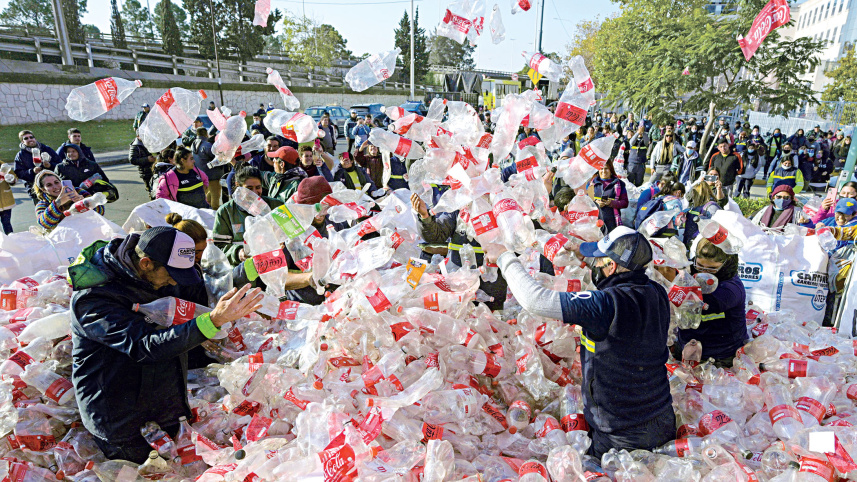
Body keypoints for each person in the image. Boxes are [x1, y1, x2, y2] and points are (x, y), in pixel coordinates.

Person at [69, 225, 263, 463]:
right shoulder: (94, 300)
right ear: (146, 263)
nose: (174, 282)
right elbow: (145, 346)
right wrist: (212, 321)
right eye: (171, 274)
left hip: (166, 406)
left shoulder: (160, 277)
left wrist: (265, 262)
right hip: (122, 421)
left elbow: (207, 292)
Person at [495, 226, 673, 459]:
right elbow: (616, 277)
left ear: (611, 266)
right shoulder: (656, 292)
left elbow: (535, 301)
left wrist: (505, 258)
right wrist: (581, 254)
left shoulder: (606, 304)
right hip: (661, 417)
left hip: (621, 433)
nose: (595, 265)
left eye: (599, 260)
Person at [669, 239, 747, 368]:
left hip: (721, 356)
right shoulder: (691, 270)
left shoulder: (731, 289)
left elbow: (694, 304)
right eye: (700, 266)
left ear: (726, 265)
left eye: (712, 269)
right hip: (687, 347)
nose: (704, 273)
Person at [213, 167, 284, 266]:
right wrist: (238, 253)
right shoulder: (226, 212)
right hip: (244, 269)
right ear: (238, 186)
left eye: (258, 187)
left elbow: (292, 235)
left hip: (275, 264)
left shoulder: (276, 206)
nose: (254, 192)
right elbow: (219, 247)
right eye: (249, 188)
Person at [33, 169, 105, 231]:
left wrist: (86, 203)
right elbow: (45, 224)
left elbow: (101, 212)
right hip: (63, 240)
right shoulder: (43, 204)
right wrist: (57, 203)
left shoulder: (78, 192)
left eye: (56, 182)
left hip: (87, 231)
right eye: (49, 185)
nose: (55, 187)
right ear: (43, 190)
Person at [15, 130, 60, 203]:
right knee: (42, 212)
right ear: (22, 142)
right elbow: (19, 173)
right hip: (35, 190)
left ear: (35, 138)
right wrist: (32, 171)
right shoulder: (20, 155)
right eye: (26, 138)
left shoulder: (46, 149)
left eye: (31, 137)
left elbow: (60, 164)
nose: (29, 139)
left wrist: (50, 165)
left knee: (58, 210)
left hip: (53, 188)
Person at [588, 160, 628, 232]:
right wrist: (596, 203)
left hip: (612, 222)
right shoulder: (592, 184)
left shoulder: (619, 184)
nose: (604, 171)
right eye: (601, 169)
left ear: (610, 169)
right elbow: (587, 201)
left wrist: (611, 203)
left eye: (606, 168)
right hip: (596, 222)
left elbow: (625, 203)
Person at [190, 127, 224, 210]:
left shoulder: (193, 144)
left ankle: (207, 210)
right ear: (206, 134)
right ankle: (214, 213)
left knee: (208, 194)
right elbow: (217, 158)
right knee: (216, 195)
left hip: (201, 174)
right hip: (213, 174)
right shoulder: (207, 145)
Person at [0, 162, 16, 234]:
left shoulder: (3, 165)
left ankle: (11, 241)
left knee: (7, 224)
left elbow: (14, 178)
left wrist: (11, 179)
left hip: (6, 201)